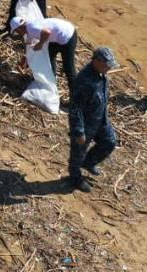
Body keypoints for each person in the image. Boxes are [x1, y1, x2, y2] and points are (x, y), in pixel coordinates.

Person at [67, 47, 119, 192]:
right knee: (78, 153)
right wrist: (79, 131)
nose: (109, 68)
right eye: (107, 65)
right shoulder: (84, 80)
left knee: (109, 142)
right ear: (97, 61)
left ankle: (89, 162)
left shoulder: (101, 75)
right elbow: (75, 108)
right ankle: (75, 178)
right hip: (86, 124)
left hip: (100, 120)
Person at [9, 16, 79, 80]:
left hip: (68, 36)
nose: (17, 33)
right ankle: (52, 78)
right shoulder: (28, 29)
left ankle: (75, 90)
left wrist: (40, 44)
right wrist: (25, 58)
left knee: (68, 68)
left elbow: (47, 32)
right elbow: (29, 47)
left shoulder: (32, 28)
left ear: (19, 27)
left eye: (16, 31)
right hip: (58, 35)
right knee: (49, 57)